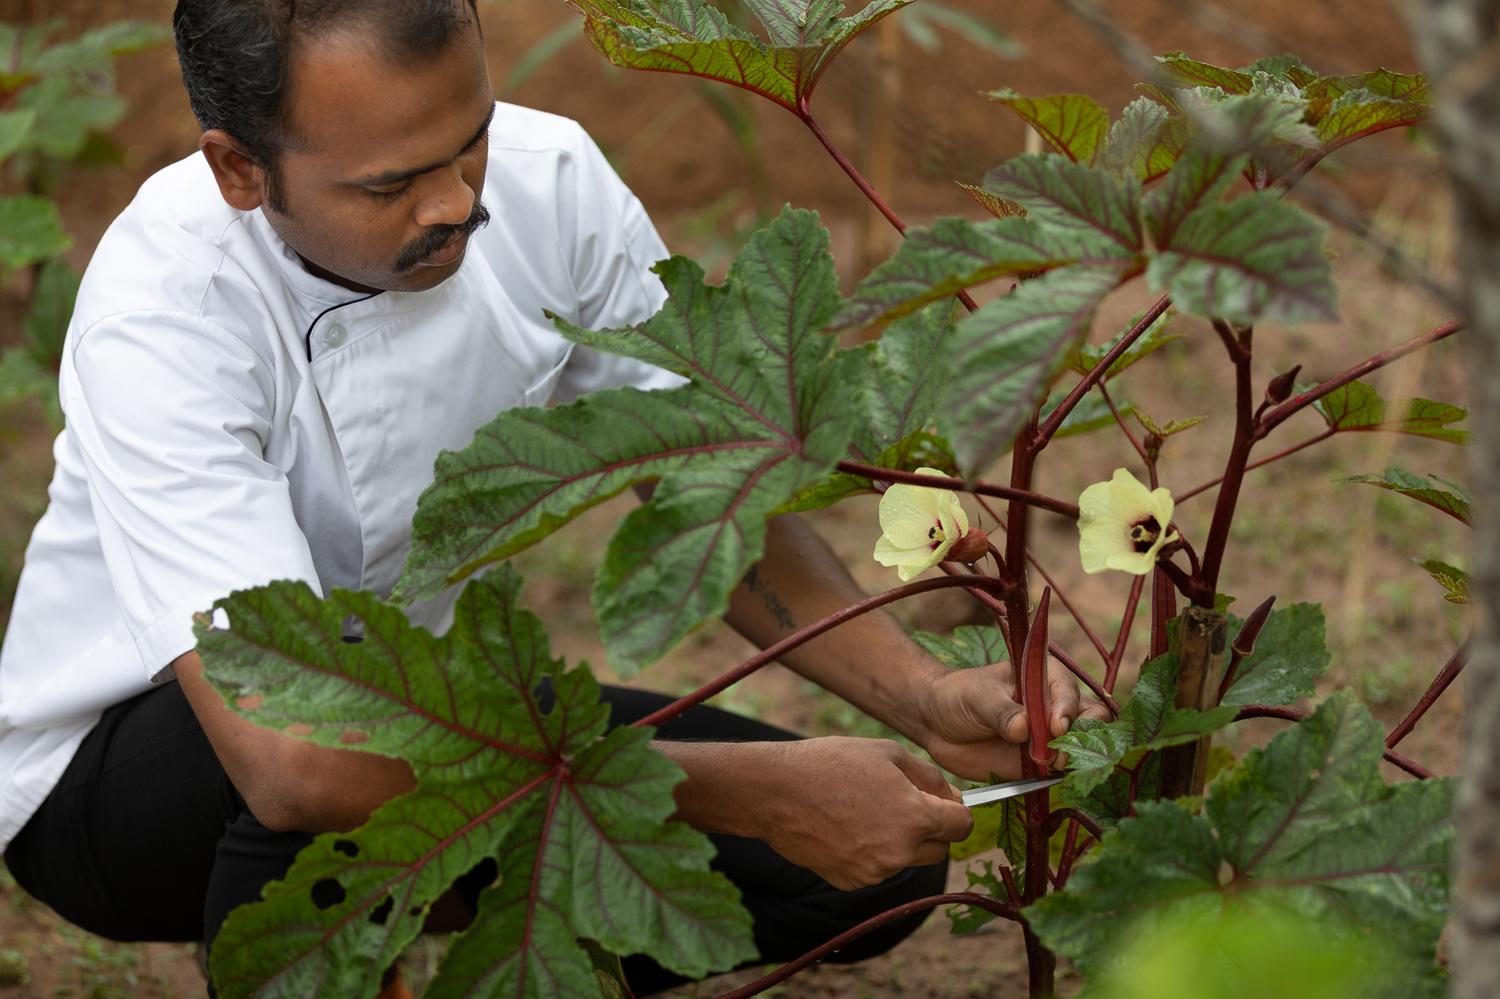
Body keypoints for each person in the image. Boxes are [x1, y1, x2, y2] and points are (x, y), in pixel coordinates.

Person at [0, 0, 1103, 994]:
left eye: (471, 139)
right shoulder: (166, 311)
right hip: (121, 774)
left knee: (867, 877)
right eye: (390, 185)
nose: (458, 202)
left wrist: (922, 695)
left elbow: (701, 489)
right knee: (318, 758)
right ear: (241, 169)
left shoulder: (555, 180)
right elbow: (296, 759)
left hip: (427, 709)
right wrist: (756, 788)